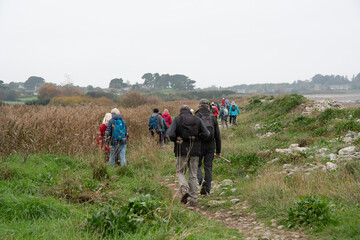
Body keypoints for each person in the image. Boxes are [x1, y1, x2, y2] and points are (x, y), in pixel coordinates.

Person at [167, 105, 210, 207]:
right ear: (189, 111)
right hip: (195, 151)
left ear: (180, 111)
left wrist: (177, 140)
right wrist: (198, 139)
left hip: (181, 150)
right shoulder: (197, 119)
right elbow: (207, 133)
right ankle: (193, 199)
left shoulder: (177, 119)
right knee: (193, 175)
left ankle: (184, 188)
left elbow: (170, 134)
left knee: (180, 171)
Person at [195, 99, 221, 196]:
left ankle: (201, 181)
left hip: (199, 145)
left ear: (199, 106)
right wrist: (218, 150)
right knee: (208, 167)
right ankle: (207, 191)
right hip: (211, 146)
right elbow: (217, 135)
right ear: (208, 107)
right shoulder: (213, 117)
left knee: (196, 165)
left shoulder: (196, 117)